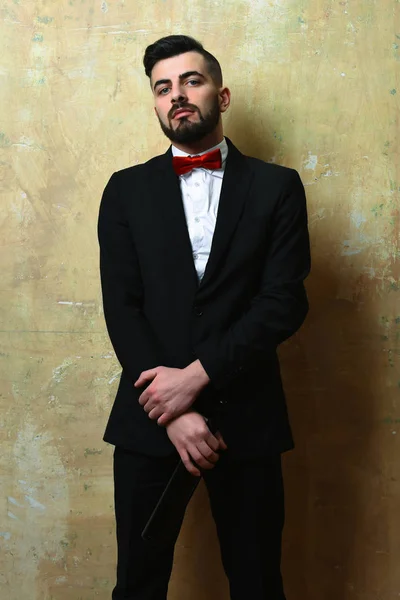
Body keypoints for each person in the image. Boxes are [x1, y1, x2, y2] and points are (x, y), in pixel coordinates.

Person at [97, 34, 311, 600]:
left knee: (258, 584)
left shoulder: (277, 187)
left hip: (248, 417)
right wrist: (169, 412)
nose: (177, 96)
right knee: (137, 585)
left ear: (223, 94)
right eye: (163, 88)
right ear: (155, 103)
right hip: (152, 421)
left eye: (191, 81)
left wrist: (195, 378)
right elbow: (123, 307)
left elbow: (282, 302)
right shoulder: (124, 191)